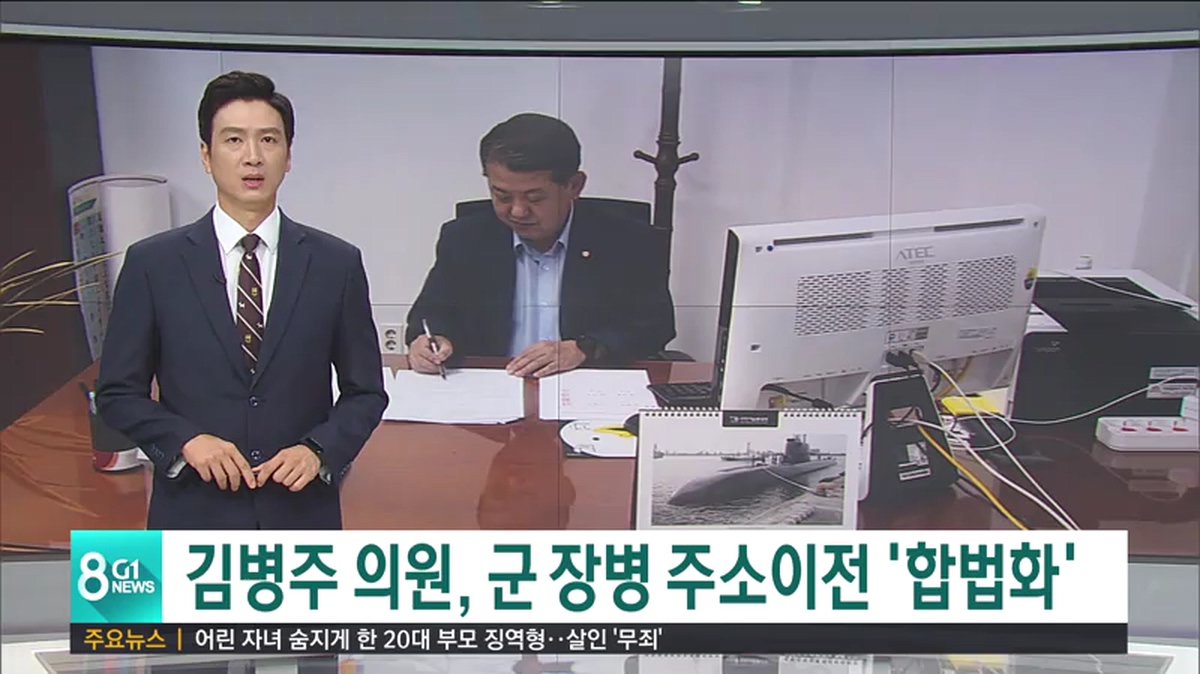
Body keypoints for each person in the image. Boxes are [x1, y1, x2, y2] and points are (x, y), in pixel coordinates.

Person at [95, 71, 388, 530]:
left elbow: (365, 392)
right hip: (191, 513)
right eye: (234, 140)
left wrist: (318, 451)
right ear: (206, 156)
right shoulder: (154, 264)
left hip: (300, 514)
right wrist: (185, 441)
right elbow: (117, 393)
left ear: (288, 155)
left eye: (268, 140)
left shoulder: (336, 264)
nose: (253, 157)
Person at [404, 112, 676, 378]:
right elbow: (430, 315)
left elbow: (655, 326)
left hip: (583, 385)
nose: (518, 211)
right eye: (502, 196)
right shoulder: (465, 238)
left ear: (574, 186)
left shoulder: (628, 240)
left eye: (534, 198)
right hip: (492, 386)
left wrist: (583, 349)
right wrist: (431, 341)